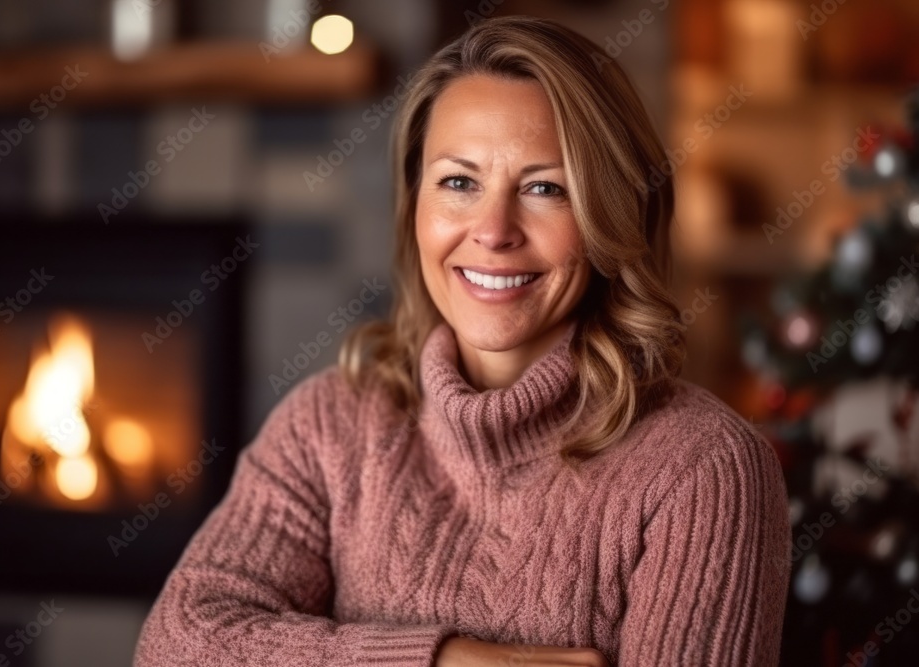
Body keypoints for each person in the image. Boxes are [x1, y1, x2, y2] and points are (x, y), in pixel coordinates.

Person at [133, 15, 790, 667]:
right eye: (458, 182)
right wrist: (446, 659)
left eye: (544, 188)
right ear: (415, 204)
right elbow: (175, 645)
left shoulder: (704, 469)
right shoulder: (328, 423)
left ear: (612, 215)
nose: (494, 229)